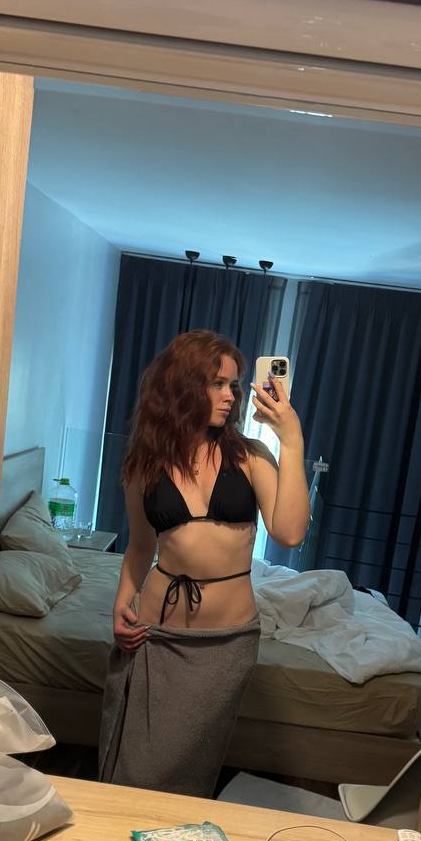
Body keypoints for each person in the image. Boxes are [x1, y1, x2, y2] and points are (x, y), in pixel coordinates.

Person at [98, 329, 310, 797]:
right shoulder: (145, 464)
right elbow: (140, 546)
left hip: (227, 643)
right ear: (184, 386)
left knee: (192, 768)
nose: (231, 395)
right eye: (218, 383)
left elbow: (290, 532)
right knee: (137, 769)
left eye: (233, 385)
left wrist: (291, 441)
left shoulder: (250, 456)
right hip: (155, 635)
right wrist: (121, 602)